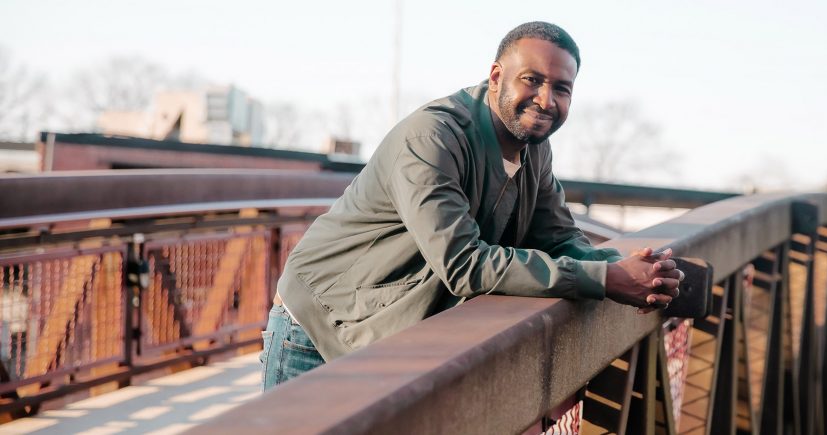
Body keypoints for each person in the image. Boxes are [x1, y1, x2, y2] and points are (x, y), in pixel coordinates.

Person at [261, 21, 682, 391]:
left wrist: (629, 269)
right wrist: (605, 279)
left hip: (387, 336)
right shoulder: (432, 138)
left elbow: (557, 236)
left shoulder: (534, 148)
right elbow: (464, 264)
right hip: (315, 329)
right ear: (497, 76)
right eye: (532, 80)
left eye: (561, 88)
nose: (545, 99)